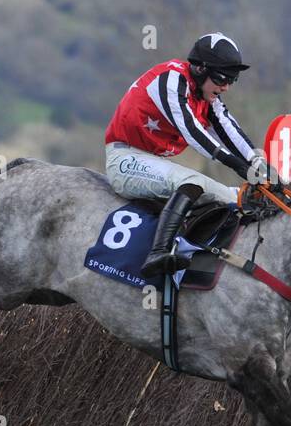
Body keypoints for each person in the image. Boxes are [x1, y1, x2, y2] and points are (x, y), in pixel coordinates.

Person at [104, 32, 274, 277]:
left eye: (232, 80)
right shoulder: (170, 80)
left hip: (152, 161)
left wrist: (257, 162)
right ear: (199, 68)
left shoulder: (206, 94)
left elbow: (227, 127)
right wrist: (236, 164)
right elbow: (193, 132)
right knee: (192, 181)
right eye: (221, 78)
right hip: (124, 160)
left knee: (232, 197)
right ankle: (158, 253)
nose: (225, 86)